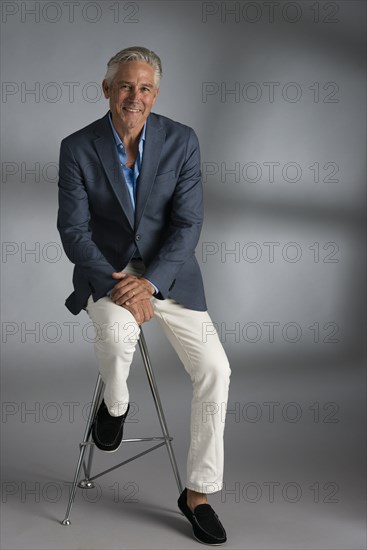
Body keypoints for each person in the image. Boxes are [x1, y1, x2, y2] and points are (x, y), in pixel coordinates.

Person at [57, 46, 231, 545]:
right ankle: (115, 406)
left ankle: (197, 494)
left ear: (156, 93)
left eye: (146, 87)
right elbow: (73, 230)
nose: (136, 96)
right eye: (126, 86)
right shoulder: (78, 146)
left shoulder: (182, 141)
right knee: (116, 335)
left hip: (169, 278)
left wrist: (150, 282)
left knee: (216, 370)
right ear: (107, 89)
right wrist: (119, 283)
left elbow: (188, 222)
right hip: (106, 274)